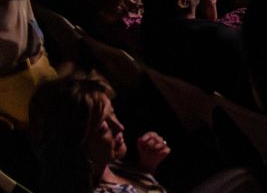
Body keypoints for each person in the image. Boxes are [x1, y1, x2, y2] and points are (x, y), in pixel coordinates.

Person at [26, 73, 175, 193]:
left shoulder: (104, 167)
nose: (119, 127)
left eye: (113, 112)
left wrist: (146, 167)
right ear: (73, 146)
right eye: (103, 128)